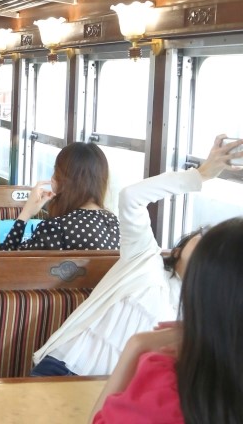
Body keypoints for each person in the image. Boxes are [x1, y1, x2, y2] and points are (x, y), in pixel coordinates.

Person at [30, 135, 242, 378]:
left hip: (118, 391)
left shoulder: (200, 310)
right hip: (62, 367)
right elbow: (131, 198)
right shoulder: (145, 257)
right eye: (204, 235)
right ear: (177, 250)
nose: (208, 243)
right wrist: (201, 174)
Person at [90, 215, 243, 423]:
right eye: (201, 234)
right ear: (177, 251)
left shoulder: (170, 381)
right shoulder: (148, 264)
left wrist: (138, 345)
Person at [0, 142, 120, 252]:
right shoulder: (113, 223)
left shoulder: (57, 228)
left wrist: (26, 212)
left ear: (63, 180)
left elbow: (11, 260)